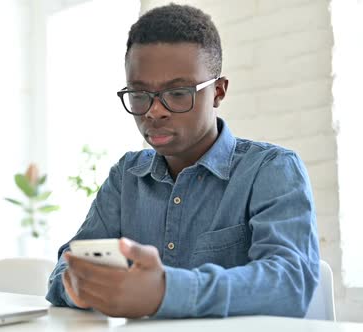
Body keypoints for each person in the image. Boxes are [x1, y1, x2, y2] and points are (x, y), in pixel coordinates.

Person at [45, 3, 320, 319]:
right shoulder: (127, 176)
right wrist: (80, 286)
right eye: (138, 93)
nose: (154, 111)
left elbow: (289, 286)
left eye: (177, 93)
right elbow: (67, 268)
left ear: (218, 91)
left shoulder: (271, 170)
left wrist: (165, 290)